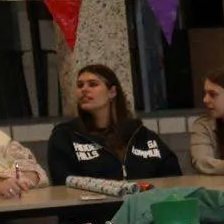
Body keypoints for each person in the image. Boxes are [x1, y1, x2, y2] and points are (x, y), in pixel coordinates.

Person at [45, 64, 182, 184]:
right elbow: (64, 184)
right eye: (80, 85)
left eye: (93, 84)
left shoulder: (140, 134)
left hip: (144, 209)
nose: (84, 89)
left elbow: (173, 177)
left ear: (112, 92)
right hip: (94, 211)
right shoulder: (65, 136)